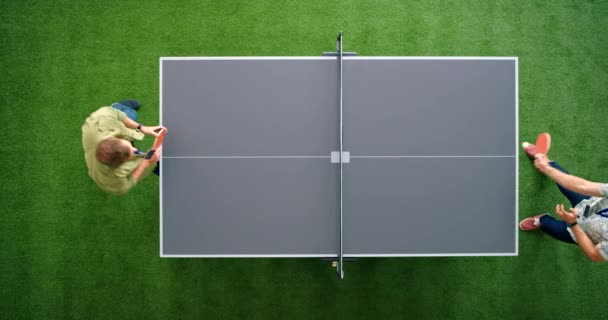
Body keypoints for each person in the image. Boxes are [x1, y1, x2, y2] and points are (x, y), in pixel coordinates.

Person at [519, 137, 607, 262]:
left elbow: (593, 254)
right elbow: (583, 186)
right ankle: (546, 161)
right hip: (587, 204)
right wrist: (547, 168)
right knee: (565, 182)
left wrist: (573, 223)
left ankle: (541, 220)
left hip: (579, 233)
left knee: (549, 226)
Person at [81, 99, 166, 195]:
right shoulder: (111, 179)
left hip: (110, 126)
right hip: (105, 168)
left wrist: (141, 128)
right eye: (132, 153)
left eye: (130, 146)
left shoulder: (101, 120)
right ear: (122, 163)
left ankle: (119, 106)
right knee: (152, 165)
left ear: (115, 138)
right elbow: (127, 185)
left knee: (130, 114)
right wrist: (145, 163)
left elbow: (117, 114)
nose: (135, 149)